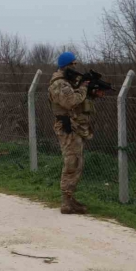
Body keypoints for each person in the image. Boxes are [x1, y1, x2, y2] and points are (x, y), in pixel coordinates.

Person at [48, 52, 99, 215]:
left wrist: (89, 90)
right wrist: (83, 88)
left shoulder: (68, 82)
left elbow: (77, 99)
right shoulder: (59, 83)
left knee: (76, 162)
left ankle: (70, 199)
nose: (75, 67)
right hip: (67, 126)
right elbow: (70, 101)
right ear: (66, 65)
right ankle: (66, 201)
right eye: (73, 64)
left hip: (74, 125)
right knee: (72, 162)